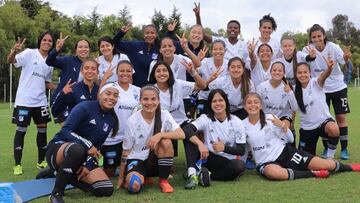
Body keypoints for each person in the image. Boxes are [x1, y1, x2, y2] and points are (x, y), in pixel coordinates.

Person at [243, 93, 360, 181]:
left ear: (261, 105)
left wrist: (283, 126)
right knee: (274, 173)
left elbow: (291, 139)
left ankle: (349, 167)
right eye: (249, 102)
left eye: (256, 102)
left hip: (285, 153)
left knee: (327, 164)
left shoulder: (270, 118)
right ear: (244, 106)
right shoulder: (242, 125)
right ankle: (314, 173)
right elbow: (242, 149)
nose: (252, 105)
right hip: (266, 162)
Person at [46, 83, 120, 203]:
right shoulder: (84, 107)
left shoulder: (110, 120)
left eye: (115, 95)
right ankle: (56, 194)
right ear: (100, 95)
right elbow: (65, 130)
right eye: (108, 93)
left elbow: (98, 147)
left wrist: (88, 165)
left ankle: (59, 173)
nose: (112, 97)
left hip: (82, 156)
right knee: (78, 149)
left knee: (105, 189)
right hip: (58, 148)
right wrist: (87, 145)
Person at [117, 85, 185, 194]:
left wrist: (160, 135)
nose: (149, 103)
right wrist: (121, 176)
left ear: (158, 101)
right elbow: (126, 151)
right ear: (140, 101)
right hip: (137, 160)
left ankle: (163, 180)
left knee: (166, 141)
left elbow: (181, 134)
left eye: (153, 99)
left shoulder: (164, 115)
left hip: (155, 161)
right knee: (134, 187)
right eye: (145, 99)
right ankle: (141, 178)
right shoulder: (132, 121)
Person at [7, 32, 54, 175]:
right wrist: (14, 51)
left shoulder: (50, 62)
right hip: (24, 101)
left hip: (41, 102)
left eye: (50, 41)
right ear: (40, 41)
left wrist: (62, 86)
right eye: (45, 40)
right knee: (21, 131)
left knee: (42, 131)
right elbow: (11, 61)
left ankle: (41, 162)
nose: (47, 42)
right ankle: (17, 165)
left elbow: (47, 83)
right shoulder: (29, 53)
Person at [303, 24, 351, 159]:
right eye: (313, 37)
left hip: (338, 87)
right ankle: (326, 149)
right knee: (323, 119)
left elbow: (343, 60)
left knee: (341, 118)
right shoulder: (308, 49)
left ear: (324, 35)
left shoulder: (333, 47)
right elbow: (303, 61)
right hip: (320, 89)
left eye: (319, 36)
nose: (317, 39)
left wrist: (346, 57)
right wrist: (310, 57)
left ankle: (344, 149)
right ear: (310, 39)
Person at [182, 89, 246, 189]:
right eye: (214, 101)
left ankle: (204, 175)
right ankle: (191, 175)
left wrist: (224, 148)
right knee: (190, 138)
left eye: (220, 100)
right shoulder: (206, 119)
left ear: (226, 102)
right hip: (207, 157)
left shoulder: (237, 122)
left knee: (239, 166)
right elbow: (186, 129)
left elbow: (241, 150)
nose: (218, 104)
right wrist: (200, 144)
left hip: (226, 161)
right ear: (210, 104)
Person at [148, 60, 208, 156]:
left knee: (194, 131)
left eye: (164, 70)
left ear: (169, 73)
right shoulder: (151, 90)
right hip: (162, 125)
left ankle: (192, 167)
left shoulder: (177, 84)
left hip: (181, 122)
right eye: (158, 71)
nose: (162, 73)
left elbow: (202, 86)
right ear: (154, 74)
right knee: (165, 143)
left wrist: (193, 73)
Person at [100, 60, 140, 177]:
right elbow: (100, 100)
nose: (125, 73)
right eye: (122, 70)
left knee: (132, 168)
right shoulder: (111, 87)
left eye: (128, 71)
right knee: (109, 173)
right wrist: (103, 80)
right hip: (113, 137)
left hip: (131, 136)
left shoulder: (137, 90)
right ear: (117, 72)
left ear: (132, 72)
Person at [294, 61, 341, 159]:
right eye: (299, 73)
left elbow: (323, 76)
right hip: (307, 128)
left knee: (334, 128)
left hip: (322, 123)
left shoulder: (315, 83)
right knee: (305, 160)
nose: (303, 75)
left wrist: (329, 69)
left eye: (305, 72)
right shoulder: (293, 90)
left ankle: (329, 157)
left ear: (309, 73)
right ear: (296, 74)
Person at [46, 33, 91, 124]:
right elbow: (49, 61)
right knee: (68, 130)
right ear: (76, 50)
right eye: (80, 47)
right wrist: (57, 48)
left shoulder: (90, 65)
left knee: (76, 132)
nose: (83, 49)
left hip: (77, 103)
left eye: (86, 47)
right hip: (62, 101)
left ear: (89, 49)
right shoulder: (68, 60)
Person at [256, 61, 297, 145]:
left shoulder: (287, 87)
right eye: (274, 70)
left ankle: (285, 148)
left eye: (280, 70)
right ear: (270, 72)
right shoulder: (261, 87)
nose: (277, 72)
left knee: (284, 125)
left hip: (283, 116)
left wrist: (290, 92)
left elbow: (295, 108)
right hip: (267, 117)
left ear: (284, 73)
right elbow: (257, 107)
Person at [197, 40, 229, 116]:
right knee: (202, 118)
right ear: (211, 51)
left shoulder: (229, 64)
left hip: (222, 100)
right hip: (205, 97)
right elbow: (193, 71)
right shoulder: (204, 62)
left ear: (225, 51)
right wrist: (198, 60)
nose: (218, 51)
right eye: (215, 49)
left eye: (221, 49)